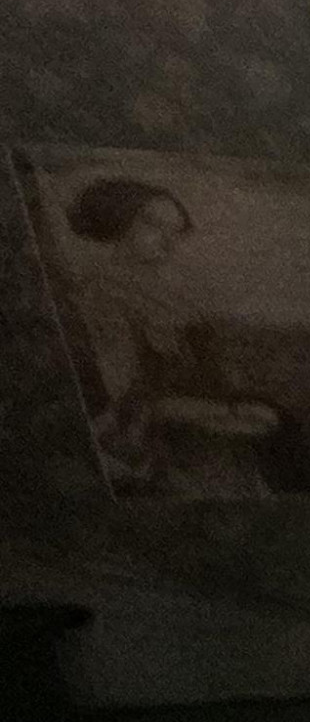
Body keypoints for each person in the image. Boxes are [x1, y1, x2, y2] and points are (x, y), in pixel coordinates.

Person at [58, 174, 283, 498]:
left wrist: (236, 407)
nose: (168, 240)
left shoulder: (171, 294)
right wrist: (225, 413)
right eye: (153, 225)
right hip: (156, 443)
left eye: (175, 231)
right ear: (119, 221)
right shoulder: (99, 296)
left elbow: (206, 371)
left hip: (207, 435)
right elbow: (126, 397)